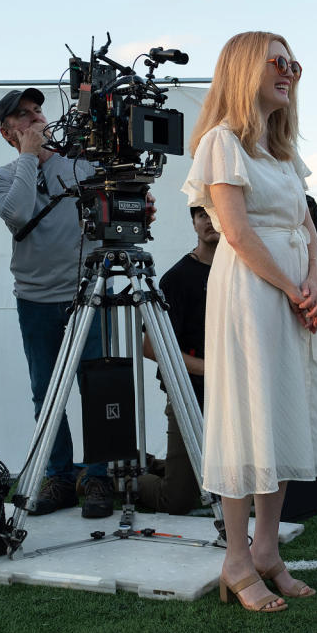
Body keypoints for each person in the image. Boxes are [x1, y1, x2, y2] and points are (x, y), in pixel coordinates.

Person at [182, 31, 317, 613]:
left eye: (294, 63)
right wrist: (294, 289)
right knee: (247, 416)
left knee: (285, 411)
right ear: (245, 69)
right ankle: (237, 560)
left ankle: (267, 550)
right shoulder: (223, 142)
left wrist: (315, 284)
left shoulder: (282, 152)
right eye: (278, 62)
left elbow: (309, 224)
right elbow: (238, 234)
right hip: (252, 291)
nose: (290, 72)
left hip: (292, 288)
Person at [0, 88, 118, 518]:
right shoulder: (1, 177)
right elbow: (19, 213)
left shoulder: (83, 163)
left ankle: (97, 476)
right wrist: (29, 156)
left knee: (96, 386)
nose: (36, 119)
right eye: (23, 117)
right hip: (35, 299)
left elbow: (112, 214)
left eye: (38, 110)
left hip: (88, 294)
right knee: (46, 391)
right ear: (8, 133)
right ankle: (59, 476)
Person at [137, 206, 214, 514]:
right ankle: (123, 478)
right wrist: (213, 371)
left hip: (234, 397)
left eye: (215, 212)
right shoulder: (177, 278)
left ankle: (159, 465)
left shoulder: (241, 272)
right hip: (189, 395)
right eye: (201, 214)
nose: (209, 220)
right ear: (193, 223)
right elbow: (151, 348)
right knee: (179, 501)